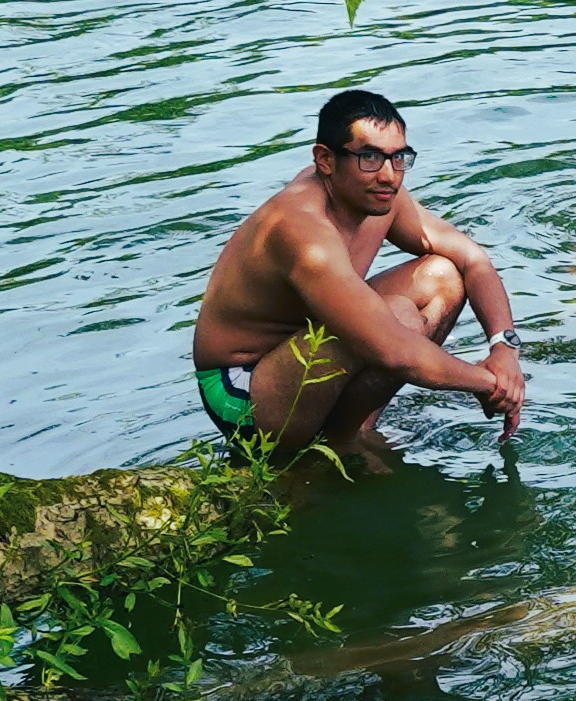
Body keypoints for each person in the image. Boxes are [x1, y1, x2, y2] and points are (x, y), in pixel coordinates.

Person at [191, 88, 527, 468]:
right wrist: (492, 385)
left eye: (397, 158)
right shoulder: (301, 228)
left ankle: (349, 436)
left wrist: (504, 350)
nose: (387, 175)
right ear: (325, 160)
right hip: (243, 389)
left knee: (442, 277)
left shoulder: (381, 197)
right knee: (396, 317)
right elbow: (392, 349)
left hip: (303, 349)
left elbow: (474, 261)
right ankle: (314, 457)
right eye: (369, 157)